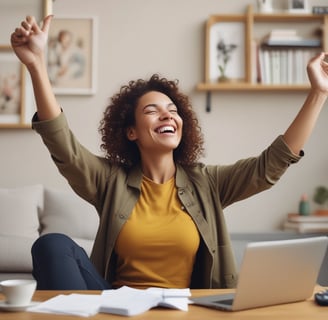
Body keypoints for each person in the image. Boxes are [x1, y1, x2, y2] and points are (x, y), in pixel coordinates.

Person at [11, 15, 328, 290]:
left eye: (173, 110)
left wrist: (318, 93)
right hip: (114, 306)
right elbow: (62, 144)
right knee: (52, 244)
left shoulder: (208, 183)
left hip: (185, 308)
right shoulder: (109, 181)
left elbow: (270, 165)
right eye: (152, 110)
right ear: (131, 131)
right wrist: (37, 64)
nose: (167, 115)